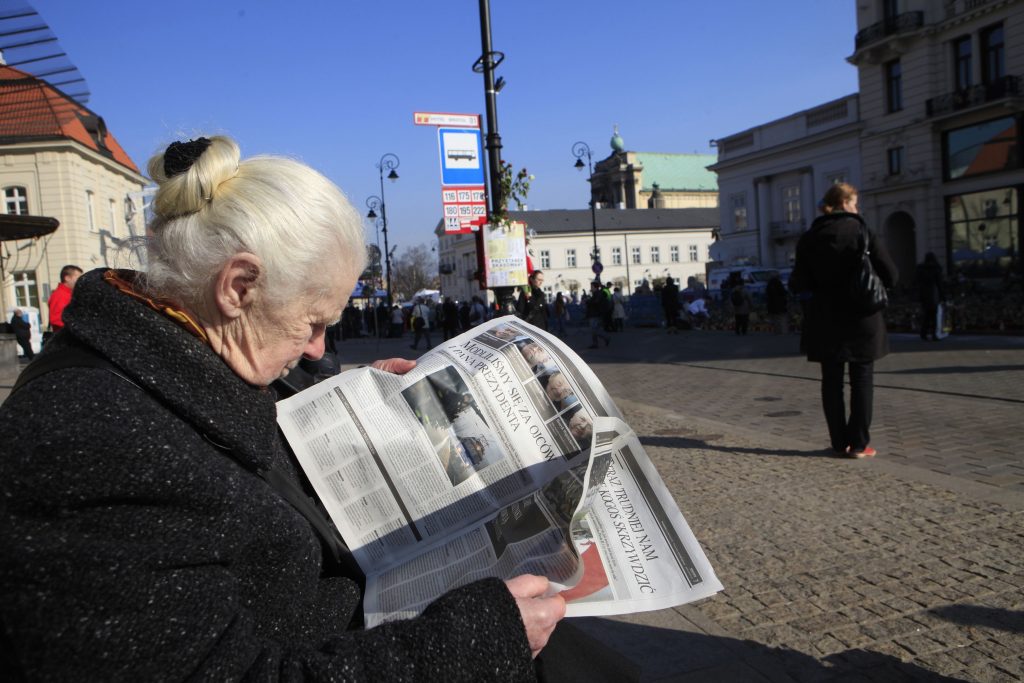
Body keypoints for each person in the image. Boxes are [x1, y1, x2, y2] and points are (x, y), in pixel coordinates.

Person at [0, 135, 563, 679]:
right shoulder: (92, 443)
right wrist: (473, 642)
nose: (318, 348)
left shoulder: (170, 353)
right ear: (239, 287)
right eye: (314, 321)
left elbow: (216, 427)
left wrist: (348, 399)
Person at [789, 182, 898, 459]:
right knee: (861, 379)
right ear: (845, 203)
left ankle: (838, 442)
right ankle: (860, 445)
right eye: (855, 203)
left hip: (825, 318)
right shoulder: (862, 231)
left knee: (831, 381)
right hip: (863, 316)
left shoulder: (810, 236)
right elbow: (891, 274)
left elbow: (798, 282)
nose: (857, 208)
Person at [917, 252, 946, 341]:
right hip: (934, 294)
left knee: (926, 315)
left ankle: (924, 333)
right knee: (934, 316)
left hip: (924, 294)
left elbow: (916, 282)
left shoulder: (921, 269)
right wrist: (943, 296)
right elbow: (940, 284)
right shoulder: (936, 269)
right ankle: (934, 334)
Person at [47, 264, 82, 334]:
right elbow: (56, 319)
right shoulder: (59, 295)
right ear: (67, 278)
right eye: (78, 278)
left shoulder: (70, 294)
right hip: (67, 338)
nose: (81, 281)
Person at [585, 280, 611, 349]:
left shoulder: (597, 294)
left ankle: (606, 337)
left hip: (595, 314)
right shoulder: (596, 293)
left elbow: (596, 302)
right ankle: (595, 343)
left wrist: (588, 301)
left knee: (594, 330)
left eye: (591, 286)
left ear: (595, 287)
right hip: (594, 314)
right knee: (594, 329)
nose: (591, 288)